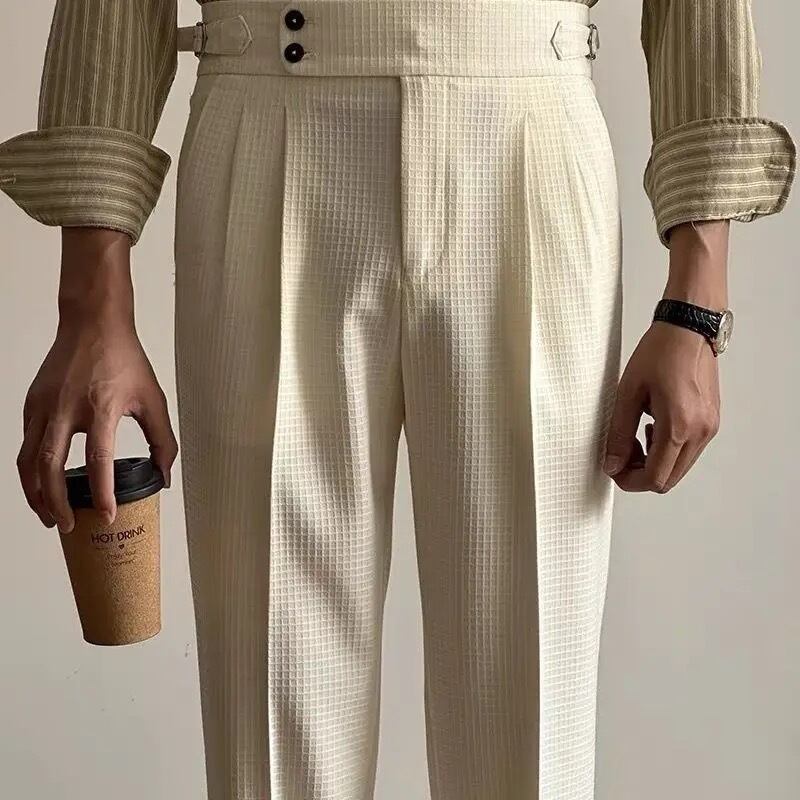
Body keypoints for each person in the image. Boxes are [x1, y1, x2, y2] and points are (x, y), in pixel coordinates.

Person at [0, 1, 795, 798]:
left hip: (525, 128)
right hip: (269, 108)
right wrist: (91, 308)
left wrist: (697, 300)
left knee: (530, 734)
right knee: (270, 735)